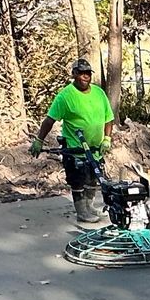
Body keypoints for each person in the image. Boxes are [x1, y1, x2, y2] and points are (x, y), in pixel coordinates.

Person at [31, 57, 113, 224]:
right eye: (81, 73)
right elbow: (49, 120)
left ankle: (89, 206)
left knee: (93, 178)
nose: (85, 77)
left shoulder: (99, 93)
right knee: (77, 180)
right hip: (75, 147)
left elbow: (108, 117)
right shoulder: (65, 96)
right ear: (74, 74)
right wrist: (39, 139)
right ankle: (81, 211)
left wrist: (107, 139)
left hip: (96, 148)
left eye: (88, 73)